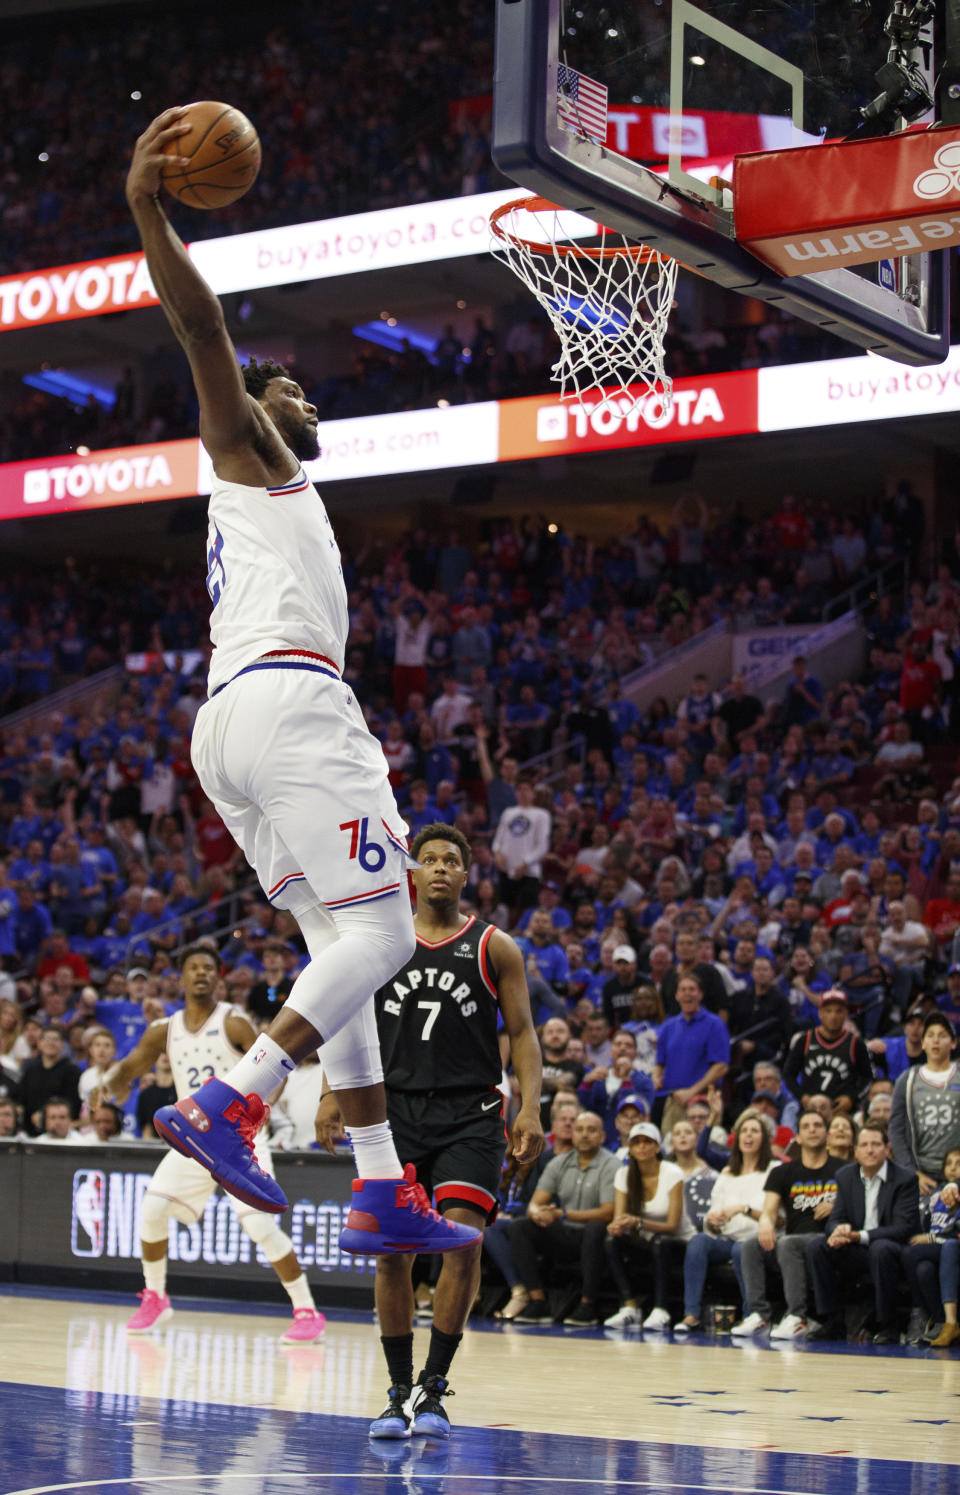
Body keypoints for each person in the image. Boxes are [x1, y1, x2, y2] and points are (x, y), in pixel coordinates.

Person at [124, 110, 474, 1258]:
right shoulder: (252, 453)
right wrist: (147, 208)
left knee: (344, 943)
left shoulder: (263, 496)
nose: (304, 402)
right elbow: (200, 324)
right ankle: (238, 1098)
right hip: (288, 706)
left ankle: (378, 1190)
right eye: (290, 392)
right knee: (384, 935)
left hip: (231, 724)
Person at [315, 823, 543, 1439]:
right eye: (429, 859)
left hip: (470, 1114)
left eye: (451, 860)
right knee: (394, 1255)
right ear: (410, 872)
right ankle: (395, 1393)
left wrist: (530, 1107)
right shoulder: (378, 942)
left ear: (466, 875)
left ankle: (433, 1391)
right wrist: (329, 1090)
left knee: (462, 1242)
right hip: (390, 1112)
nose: (439, 867)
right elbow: (338, 1012)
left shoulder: (496, 946)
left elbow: (522, 1033)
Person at [96, 944, 326, 1341]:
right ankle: (155, 1297)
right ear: (181, 978)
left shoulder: (233, 1022)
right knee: (151, 1209)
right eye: (193, 968)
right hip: (194, 1137)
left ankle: (307, 1311)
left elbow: (275, 1067)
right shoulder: (162, 1030)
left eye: (208, 968)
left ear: (218, 978)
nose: (201, 973)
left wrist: (259, 1110)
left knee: (260, 1226)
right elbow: (129, 1068)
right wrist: (107, 1086)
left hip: (238, 1140)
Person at [805, 1121, 920, 1343]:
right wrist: (838, 1229)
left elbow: (903, 1228)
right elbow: (836, 1216)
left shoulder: (905, 1178)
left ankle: (888, 1325)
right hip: (856, 1247)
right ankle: (832, 1322)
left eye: (876, 1144)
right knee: (816, 1247)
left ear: (887, 1149)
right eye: (864, 1145)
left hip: (891, 1248)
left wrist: (859, 1235)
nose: (870, 1150)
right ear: (855, 1150)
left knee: (880, 1248)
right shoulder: (845, 1176)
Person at [732, 1109, 841, 1339]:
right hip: (792, 1241)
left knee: (788, 1244)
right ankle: (759, 1315)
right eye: (806, 1126)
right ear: (798, 1138)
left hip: (828, 1240)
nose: (812, 1130)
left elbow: (855, 1208)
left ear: (828, 1134)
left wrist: (836, 1205)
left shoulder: (843, 1170)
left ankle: (797, 1316)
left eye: (818, 1125)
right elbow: (769, 1211)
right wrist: (765, 1224)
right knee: (750, 1245)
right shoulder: (782, 1172)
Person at [509, 1110, 618, 1326]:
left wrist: (563, 1214)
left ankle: (588, 1305)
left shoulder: (611, 1164)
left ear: (602, 1136)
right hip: (565, 1233)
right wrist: (537, 1214)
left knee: (595, 1228)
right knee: (520, 1226)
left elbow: (609, 1212)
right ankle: (538, 1301)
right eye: (579, 1130)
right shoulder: (559, 1162)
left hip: (596, 1237)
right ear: (573, 1135)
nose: (584, 1135)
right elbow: (536, 1202)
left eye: (591, 1130)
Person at [675, 1110, 776, 1332]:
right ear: (737, 1138)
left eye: (755, 1131)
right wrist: (713, 1220)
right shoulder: (728, 1172)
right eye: (744, 1131)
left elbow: (778, 1218)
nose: (748, 1136)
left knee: (742, 1248)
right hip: (727, 1239)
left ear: (765, 1138)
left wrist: (743, 1209)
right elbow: (711, 1223)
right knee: (698, 1241)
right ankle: (691, 1314)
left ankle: (753, 1316)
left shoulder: (774, 1170)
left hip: (759, 1241)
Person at [603, 1121, 693, 1330]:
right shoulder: (623, 1174)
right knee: (611, 1241)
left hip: (678, 1241)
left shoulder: (672, 1173)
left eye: (647, 1142)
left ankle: (661, 1310)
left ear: (657, 1147)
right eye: (636, 1143)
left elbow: (673, 1225)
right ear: (631, 1148)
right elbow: (619, 1218)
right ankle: (630, 1306)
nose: (641, 1147)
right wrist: (616, 1226)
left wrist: (639, 1222)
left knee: (660, 1242)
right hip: (644, 1240)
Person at [890, 1011, 960, 1195]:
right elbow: (896, 1129)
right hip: (921, 1172)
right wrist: (911, 1172)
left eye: (942, 1035)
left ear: (953, 1043)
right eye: (930, 1035)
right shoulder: (907, 1080)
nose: (935, 1040)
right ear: (923, 1043)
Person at [903, 1144, 960, 1347]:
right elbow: (926, 1225)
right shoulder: (936, 1196)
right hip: (938, 1248)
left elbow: (954, 1231)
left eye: (958, 1164)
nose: (953, 1168)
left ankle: (919, 1311)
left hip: (949, 1243)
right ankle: (940, 1320)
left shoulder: (955, 1192)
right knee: (923, 1269)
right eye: (949, 1164)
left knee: (911, 1253)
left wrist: (931, 1239)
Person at [782, 990, 874, 1116]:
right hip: (811, 1110)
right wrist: (802, 1096)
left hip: (842, 1113)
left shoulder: (855, 1043)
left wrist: (852, 1098)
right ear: (820, 1013)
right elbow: (788, 1074)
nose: (833, 1016)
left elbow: (868, 1077)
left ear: (846, 1014)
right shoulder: (805, 1040)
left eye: (838, 1011)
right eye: (828, 1011)